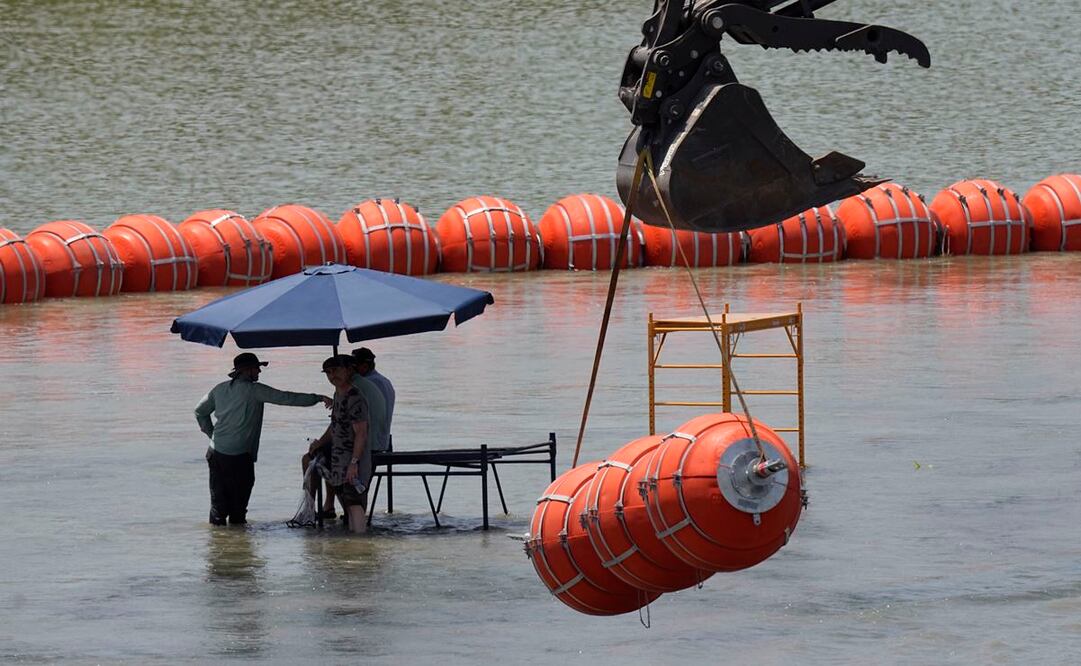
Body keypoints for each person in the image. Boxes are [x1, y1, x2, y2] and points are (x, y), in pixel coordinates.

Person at [195, 352, 331, 526]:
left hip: (215, 453)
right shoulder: (255, 390)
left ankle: (220, 545)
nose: (259, 371)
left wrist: (212, 434)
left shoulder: (219, 389)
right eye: (256, 368)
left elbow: (199, 411)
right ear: (247, 370)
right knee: (238, 507)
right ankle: (239, 546)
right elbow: (286, 398)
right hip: (240, 456)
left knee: (217, 505)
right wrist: (318, 398)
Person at [306, 354, 388, 519]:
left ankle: (316, 509)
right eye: (328, 372)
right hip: (376, 443)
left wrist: (353, 462)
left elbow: (358, 431)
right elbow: (338, 423)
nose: (332, 375)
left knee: (312, 460)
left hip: (361, 449)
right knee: (322, 457)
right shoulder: (356, 387)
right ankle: (331, 510)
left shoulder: (352, 392)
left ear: (350, 370)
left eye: (336, 370)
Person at [352, 347, 395, 444]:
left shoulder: (367, 383)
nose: (351, 370)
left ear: (365, 366)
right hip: (383, 439)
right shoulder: (384, 381)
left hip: (371, 441)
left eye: (354, 366)